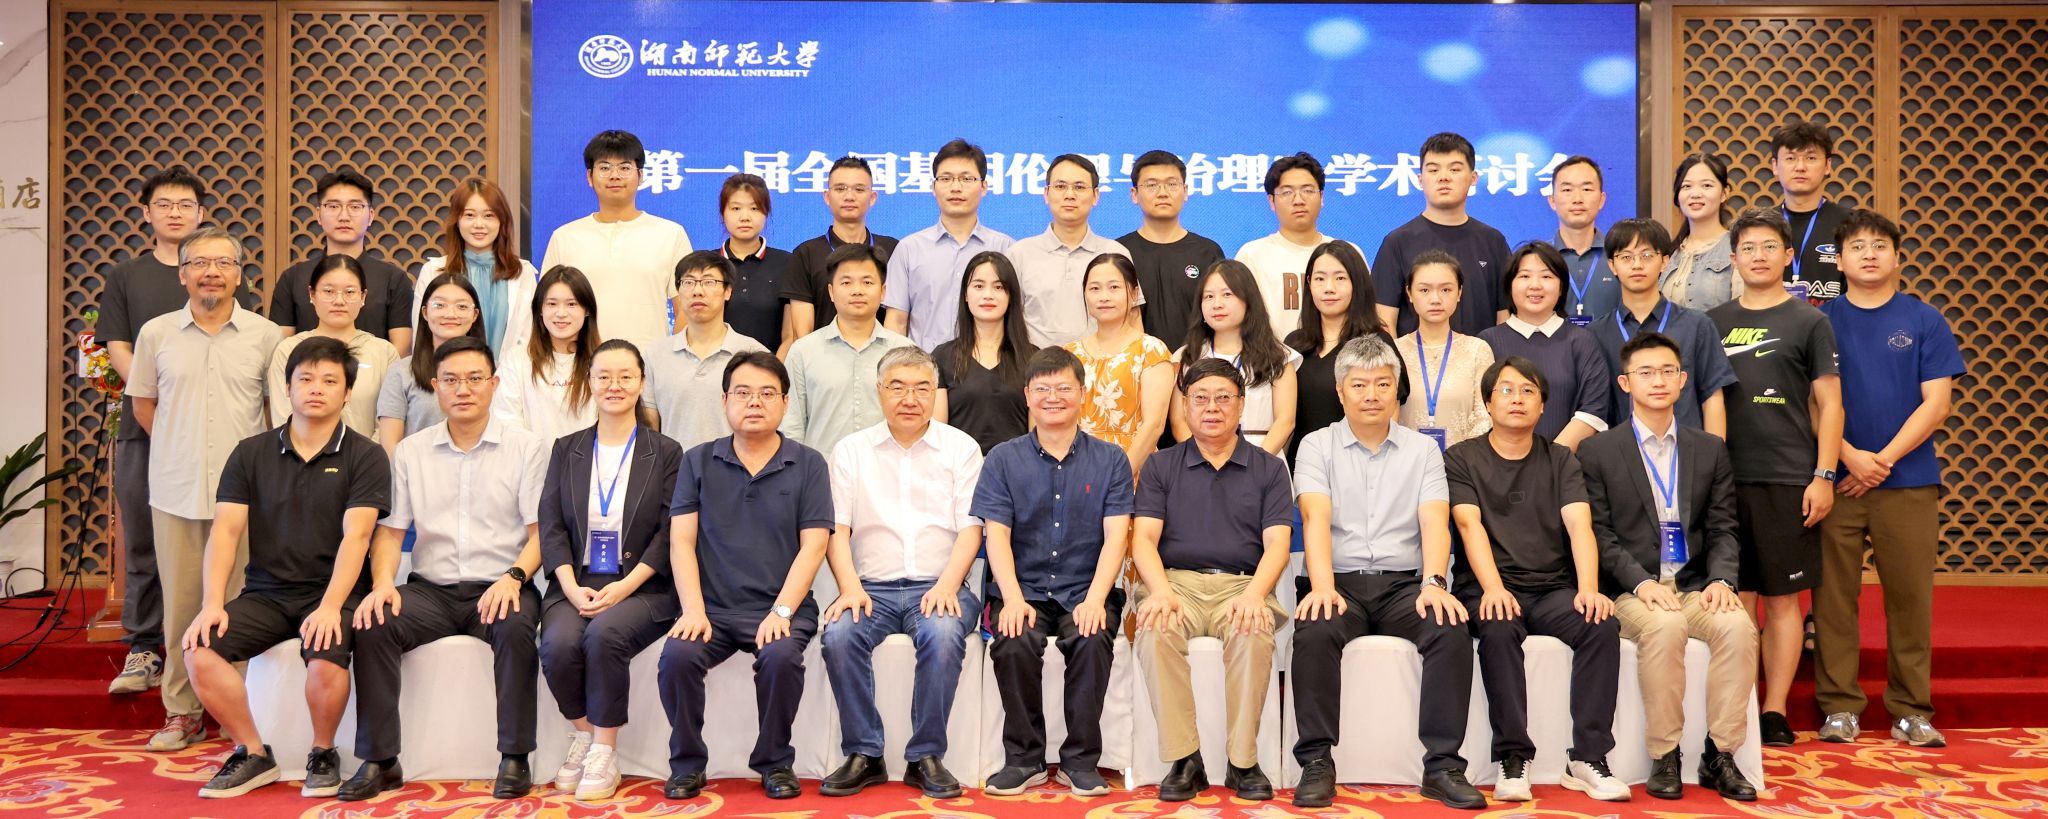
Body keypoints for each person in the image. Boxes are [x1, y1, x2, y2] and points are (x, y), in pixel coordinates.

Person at [179, 337, 390, 799]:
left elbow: (358, 537)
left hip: (335, 592)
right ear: (287, 387)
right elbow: (226, 532)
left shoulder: (366, 455)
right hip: (266, 593)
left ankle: (323, 751)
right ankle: (253, 751)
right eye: (305, 379)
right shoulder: (250, 453)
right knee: (199, 647)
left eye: (330, 381)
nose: (316, 388)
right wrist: (212, 603)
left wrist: (331, 607)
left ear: (347, 393)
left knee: (325, 650)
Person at [342, 336, 549, 801]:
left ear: (494, 384)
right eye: (451, 380)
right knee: (374, 622)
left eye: (475, 378)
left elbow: (541, 534)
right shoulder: (411, 451)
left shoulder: (526, 447)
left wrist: (514, 578)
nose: (463, 389)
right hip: (430, 590)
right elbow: (391, 532)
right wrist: (381, 584)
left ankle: (515, 756)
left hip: (501, 583)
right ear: (435, 387)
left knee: (516, 627)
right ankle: (380, 760)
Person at [1287, 335, 1481, 811]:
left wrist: (1434, 583)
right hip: (1338, 581)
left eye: (1381, 384)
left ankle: (1443, 766)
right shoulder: (1316, 445)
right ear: (1340, 392)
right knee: (1314, 629)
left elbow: (1434, 521)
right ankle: (1316, 762)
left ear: (1397, 391)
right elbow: (1314, 518)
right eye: (1359, 385)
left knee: (1449, 627)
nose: (1370, 395)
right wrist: (1323, 587)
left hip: (1403, 585)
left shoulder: (1423, 450)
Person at [125, 227, 285, 752]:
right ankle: (182, 712)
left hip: (246, 498)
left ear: (239, 273)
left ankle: (240, 711)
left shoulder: (266, 336)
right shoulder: (156, 334)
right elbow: (144, 405)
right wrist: (179, 447)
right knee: (182, 607)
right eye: (199, 263)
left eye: (223, 263)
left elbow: (274, 413)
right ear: (182, 274)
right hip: (176, 491)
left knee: (243, 605)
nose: (211, 272)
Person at [1581, 331, 1758, 801]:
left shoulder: (1709, 448)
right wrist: (1640, 583)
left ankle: (1720, 754)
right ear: (1625, 383)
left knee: (1738, 628)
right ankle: (1665, 753)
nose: (1657, 381)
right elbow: (1599, 534)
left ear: (1682, 381)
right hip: (1630, 590)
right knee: (1664, 626)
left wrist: (1722, 579)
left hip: (1694, 584)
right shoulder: (1598, 451)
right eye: (1645, 373)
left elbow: (1724, 527)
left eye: (1667, 372)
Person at [97, 167, 252, 696]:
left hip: (218, 433)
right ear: (147, 213)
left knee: (228, 550)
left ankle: (227, 670)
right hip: (149, 428)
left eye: (186, 204)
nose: (175, 212)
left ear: (201, 213)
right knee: (146, 541)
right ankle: (144, 647)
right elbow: (120, 347)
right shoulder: (128, 276)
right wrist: (167, 410)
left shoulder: (223, 272)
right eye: (164, 204)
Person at [1814, 209, 1965, 748]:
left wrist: (1881, 461)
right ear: (1840, 260)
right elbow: (1812, 402)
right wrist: (1849, 457)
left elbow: (1937, 404)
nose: (1869, 254)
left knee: (1909, 599)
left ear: (1898, 257)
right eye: (1857, 246)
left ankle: (1910, 709)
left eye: (1880, 245)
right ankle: (1839, 707)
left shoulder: (1925, 319)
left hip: (1909, 481)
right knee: (1833, 598)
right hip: (1837, 480)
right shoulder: (1819, 321)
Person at [1445, 357, 1627, 804]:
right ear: (1488, 403)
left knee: (1600, 624)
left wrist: (1589, 589)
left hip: (1551, 589)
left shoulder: (1561, 459)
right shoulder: (1462, 457)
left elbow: (1580, 527)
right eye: (1506, 390)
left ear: (1543, 405)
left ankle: (1588, 757)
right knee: (1498, 625)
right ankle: (1513, 756)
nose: (1517, 399)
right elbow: (1469, 526)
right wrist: (1493, 588)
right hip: (1487, 587)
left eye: (1528, 391)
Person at [658, 351, 834, 801]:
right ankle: (687, 765)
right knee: (677, 657)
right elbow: (681, 542)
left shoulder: (809, 463)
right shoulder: (697, 461)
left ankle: (775, 762)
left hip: (781, 608)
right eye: (743, 392)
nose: (754, 402)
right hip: (712, 609)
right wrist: (693, 610)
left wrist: (782, 611)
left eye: (767, 393)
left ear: (785, 403)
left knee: (780, 658)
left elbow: (815, 546)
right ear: (725, 401)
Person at [817, 347, 985, 798]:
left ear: (935, 393)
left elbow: (971, 529)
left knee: (944, 635)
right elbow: (836, 529)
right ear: (879, 392)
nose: (910, 399)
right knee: (839, 635)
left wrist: (947, 585)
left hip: (941, 583)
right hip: (870, 587)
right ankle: (864, 753)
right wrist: (849, 588)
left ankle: (925, 756)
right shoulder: (851, 450)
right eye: (897, 387)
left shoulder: (961, 448)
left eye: (922, 388)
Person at [1708, 207, 1843, 748]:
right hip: (1725, 478)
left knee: (1784, 601)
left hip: (1790, 477)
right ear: (1733, 258)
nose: (1758, 256)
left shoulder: (1810, 321)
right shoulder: (1712, 322)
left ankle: (1773, 710)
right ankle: (1738, 704)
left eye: (1769, 247)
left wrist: (1824, 474)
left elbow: (1830, 405)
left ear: (1788, 256)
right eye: (1748, 248)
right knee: (1737, 598)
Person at [1131, 359, 1292, 803]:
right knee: (1155, 627)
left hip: (1241, 586)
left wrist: (1256, 595)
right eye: (1200, 398)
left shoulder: (1269, 468)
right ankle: (1185, 760)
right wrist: (1160, 591)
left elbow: (1278, 545)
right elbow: (1143, 540)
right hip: (1176, 584)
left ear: (1241, 406)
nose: (1212, 408)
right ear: (1185, 406)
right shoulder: (1161, 465)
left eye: (1224, 398)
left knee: (1253, 630)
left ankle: (1243, 762)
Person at [977, 347, 1135, 797]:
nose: (1053, 397)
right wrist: (1011, 598)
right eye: (1043, 388)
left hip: (1085, 588)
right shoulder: (1002, 459)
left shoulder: (1111, 459)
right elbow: (996, 537)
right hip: (1022, 588)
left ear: (1082, 394)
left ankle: (1080, 761)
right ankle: (1024, 759)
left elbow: (1116, 537)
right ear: (1027, 394)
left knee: (1092, 636)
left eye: (1064, 388)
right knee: (1013, 640)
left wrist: (1096, 598)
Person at [537, 340, 684, 802]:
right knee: (557, 643)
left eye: (625, 376)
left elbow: (669, 531)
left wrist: (624, 586)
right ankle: (583, 733)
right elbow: (551, 524)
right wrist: (568, 585)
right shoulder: (567, 449)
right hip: (576, 581)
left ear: (641, 383)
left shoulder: (666, 451)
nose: (614, 385)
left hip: (643, 584)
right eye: (603, 376)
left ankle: (604, 749)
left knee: (604, 635)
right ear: (590, 381)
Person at [539, 130, 693, 346]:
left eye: (624, 167)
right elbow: (546, 309)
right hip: (582, 362)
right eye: (604, 168)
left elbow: (686, 308)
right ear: (589, 177)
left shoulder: (671, 234)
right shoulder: (564, 237)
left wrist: (669, 358)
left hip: (648, 363)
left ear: (640, 176)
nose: (615, 175)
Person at [1588, 218, 1736, 436]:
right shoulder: (1596, 334)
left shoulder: (1697, 325)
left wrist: (1714, 454)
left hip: (1687, 451)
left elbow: (1712, 397)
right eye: (1626, 257)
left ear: (1665, 262)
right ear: (1612, 266)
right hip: (1621, 453)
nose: (1637, 265)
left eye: (1647, 255)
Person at [1372, 133, 1511, 336]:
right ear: (1420, 180)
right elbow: (1384, 321)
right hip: (1414, 357)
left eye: (1454, 169)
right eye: (1433, 170)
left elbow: (1505, 319)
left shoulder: (1493, 241)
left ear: (1473, 178)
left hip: (1482, 356)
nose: (1444, 177)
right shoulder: (1397, 242)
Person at [782, 243, 915, 455]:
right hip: (822, 472)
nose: (857, 290)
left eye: (867, 282)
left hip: (888, 470)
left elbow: (917, 423)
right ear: (831, 292)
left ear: (883, 292)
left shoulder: (905, 352)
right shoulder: (803, 352)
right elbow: (791, 426)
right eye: (846, 282)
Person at [1476, 242, 1611, 449]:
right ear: (1509, 285)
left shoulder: (1582, 341)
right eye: (1524, 276)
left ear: (1561, 288)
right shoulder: (1487, 342)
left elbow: (1593, 410)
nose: (1535, 285)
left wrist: (1552, 460)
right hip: (1499, 463)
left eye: (1546, 277)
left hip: (1566, 463)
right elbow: (1479, 411)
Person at [883, 138, 1015, 350]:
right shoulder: (909, 249)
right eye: (946, 178)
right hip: (924, 367)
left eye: (966, 178)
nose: (955, 187)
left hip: (989, 366)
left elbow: (1015, 318)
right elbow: (896, 322)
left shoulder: (1006, 248)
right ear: (933, 187)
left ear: (983, 187)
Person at [269, 168, 414, 350]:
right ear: (318, 215)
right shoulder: (293, 278)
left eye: (355, 207)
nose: (344, 216)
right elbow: (281, 349)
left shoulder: (394, 279)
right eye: (333, 206)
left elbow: (400, 353)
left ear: (370, 216)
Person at [1170, 260, 1301, 458]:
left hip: (1262, 460)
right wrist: (1206, 461)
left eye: (1227, 294)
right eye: (1209, 296)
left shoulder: (1279, 357)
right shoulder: (1187, 356)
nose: (1217, 304)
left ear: (1248, 300)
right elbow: (1179, 421)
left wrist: (1255, 463)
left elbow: (1285, 421)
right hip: (1200, 462)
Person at [1285, 241, 1399, 465]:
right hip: (1302, 465)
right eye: (1319, 279)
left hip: (1359, 465)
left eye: (1340, 278)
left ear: (1356, 284)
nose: (1329, 288)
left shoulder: (1376, 341)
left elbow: (1391, 412)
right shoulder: (1294, 344)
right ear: (1308, 284)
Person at [645, 251, 771, 452]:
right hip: (675, 470)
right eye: (688, 282)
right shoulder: (655, 356)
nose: (697, 291)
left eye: (709, 282)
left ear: (728, 291)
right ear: (678, 291)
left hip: (738, 469)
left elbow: (768, 426)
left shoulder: (754, 354)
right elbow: (650, 429)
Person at [265, 254, 401, 436]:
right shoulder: (289, 350)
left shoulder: (384, 352)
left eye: (349, 292)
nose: (339, 301)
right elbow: (283, 418)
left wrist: (367, 453)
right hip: (301, 454)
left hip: (367, 453)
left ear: (363, 296)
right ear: (312, 294)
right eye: (329, 291)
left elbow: (388, 425)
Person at [1008, 154, 1132, 347]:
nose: (1069, 195)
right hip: (1035, 364)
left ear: (1096, 196)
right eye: (1060, 186)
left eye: (1079, 187)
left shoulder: (1115, 253)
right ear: (1046, 193)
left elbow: (1132, 318)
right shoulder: (1019, 254)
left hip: (1102, 363)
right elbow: (1007, 320)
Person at [1067, 253, 1174, 474]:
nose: (1103, 297)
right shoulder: (1069, 354)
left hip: (1132, 470)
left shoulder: (1151, 350)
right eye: (1094, 289)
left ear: (1133, 293)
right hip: (1075, 471)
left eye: (1114, 287)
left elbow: (1154, 425)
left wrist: (1118, 478)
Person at [411, 177, 538, 357]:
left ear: (502, 221)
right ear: (457, 220)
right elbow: (422, 337)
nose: (479, 224)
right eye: (469, 215)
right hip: (445, 372)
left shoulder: (522, 272)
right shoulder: (433, 271)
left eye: (489, 216)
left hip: (508, 373)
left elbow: (527, 338)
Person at [784, 156, 900, 341]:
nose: (849, 196)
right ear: (827, 197)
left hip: (881, 356)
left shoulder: (893, 249)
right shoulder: (805, 253)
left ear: (872, 198)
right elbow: (802, 331)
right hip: (823, 355)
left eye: (859, 189)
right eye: (840, 189)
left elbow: (898, 318)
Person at [1234, 152, 1349, 334]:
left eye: (1308, 190)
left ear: (1321, 197)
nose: (1298, 200)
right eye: (1287, 192)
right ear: (1271, 201)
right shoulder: (1252, 255)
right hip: (1270, 353)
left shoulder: (1346, 253)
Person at [1118, 150, 1224, 348]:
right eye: (1151, 185)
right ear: (1134, 194)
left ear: (1185, 191)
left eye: (1172, 184)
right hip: (1133, 362)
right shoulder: (1119, 253)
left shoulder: (1208, 252)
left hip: (1198, 362)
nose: (1162, 193)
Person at [933, 252, 1036, 453]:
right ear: (965, 295)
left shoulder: (1032, 358)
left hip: (1015, 468)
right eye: (979, 286)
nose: (988, 295)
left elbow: (1036, 436)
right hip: (959, 467)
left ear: (1011, 296)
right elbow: (938, 435)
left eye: (998, 287)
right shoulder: (942, 357)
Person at [378, 273, 486, 457]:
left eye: (461, 306)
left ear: (475, 314)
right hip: (417, 472)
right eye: (439, 305)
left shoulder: (495, 371)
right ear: (425, 312)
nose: (450, 314)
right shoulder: (402, 372)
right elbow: (390, 445)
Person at [1396, 251, 1495, 449]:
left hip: (1463, 462)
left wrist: (1460, 459)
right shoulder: (1393, 351)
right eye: (1424, 290)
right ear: (1410, 293)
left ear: (1459, 293)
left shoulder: (1477, 350)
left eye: (1446, 290)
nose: (1435, 299)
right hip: (1405, 461)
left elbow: (1485, 416)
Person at [497, 266, 601, 440]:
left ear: (587, 310)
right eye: (552, 304)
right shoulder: (518, 359)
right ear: (540, 309)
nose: (561, 313)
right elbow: (506, 420)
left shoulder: (603, 362)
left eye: (571, 304)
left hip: (590, 457)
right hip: (530, 457)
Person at [707, 173, 795, 355]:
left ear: (766, 212)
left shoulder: (788, 263)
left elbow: (790, 336)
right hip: (715, 368)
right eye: (736, 208)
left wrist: (773, 369)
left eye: (754, 208)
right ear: (723, 213)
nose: (745, 217)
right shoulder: (707, 264)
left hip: (770, 368)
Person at [1768, 120, 1852, 306]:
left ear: (1828, 165)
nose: (1800, 167)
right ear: (1775, 165)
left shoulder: (1851, 224)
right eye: (1790, 158)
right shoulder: (1762, 226)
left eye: (1811, 158)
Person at [1660, 153, 1739, 312]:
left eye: (1707, 185)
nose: (1695, 194)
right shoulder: (1669, 253)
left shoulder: (1737, 248)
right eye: (1686, 186)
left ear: (1724, 193)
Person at [1548, 156, 1621, 322]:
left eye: (1587, 189)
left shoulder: (1620, 256)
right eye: (1567, 190)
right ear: (1552, 201)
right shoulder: (1540, 260)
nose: (1577, 199)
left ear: (1601, 199)